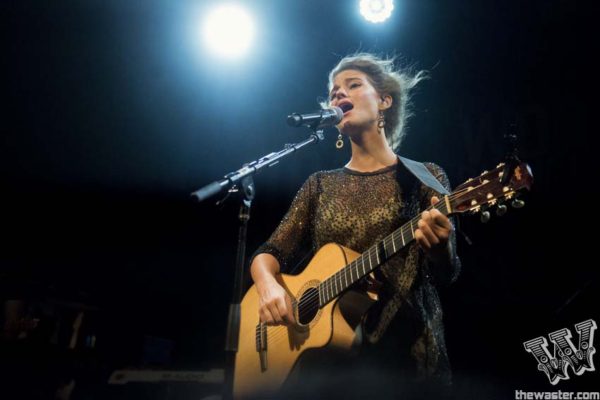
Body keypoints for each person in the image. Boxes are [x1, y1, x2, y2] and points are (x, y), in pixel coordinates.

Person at [249, 53, 461, 398]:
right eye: (333, 93)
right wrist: (268, 286)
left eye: (353, 85)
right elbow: (268, 253)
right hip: (330, 371)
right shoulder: (319, 184)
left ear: (384, 101)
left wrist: (441, 249)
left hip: (408, 357)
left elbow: (449, 273)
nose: (338, 95)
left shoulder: (427, 176)